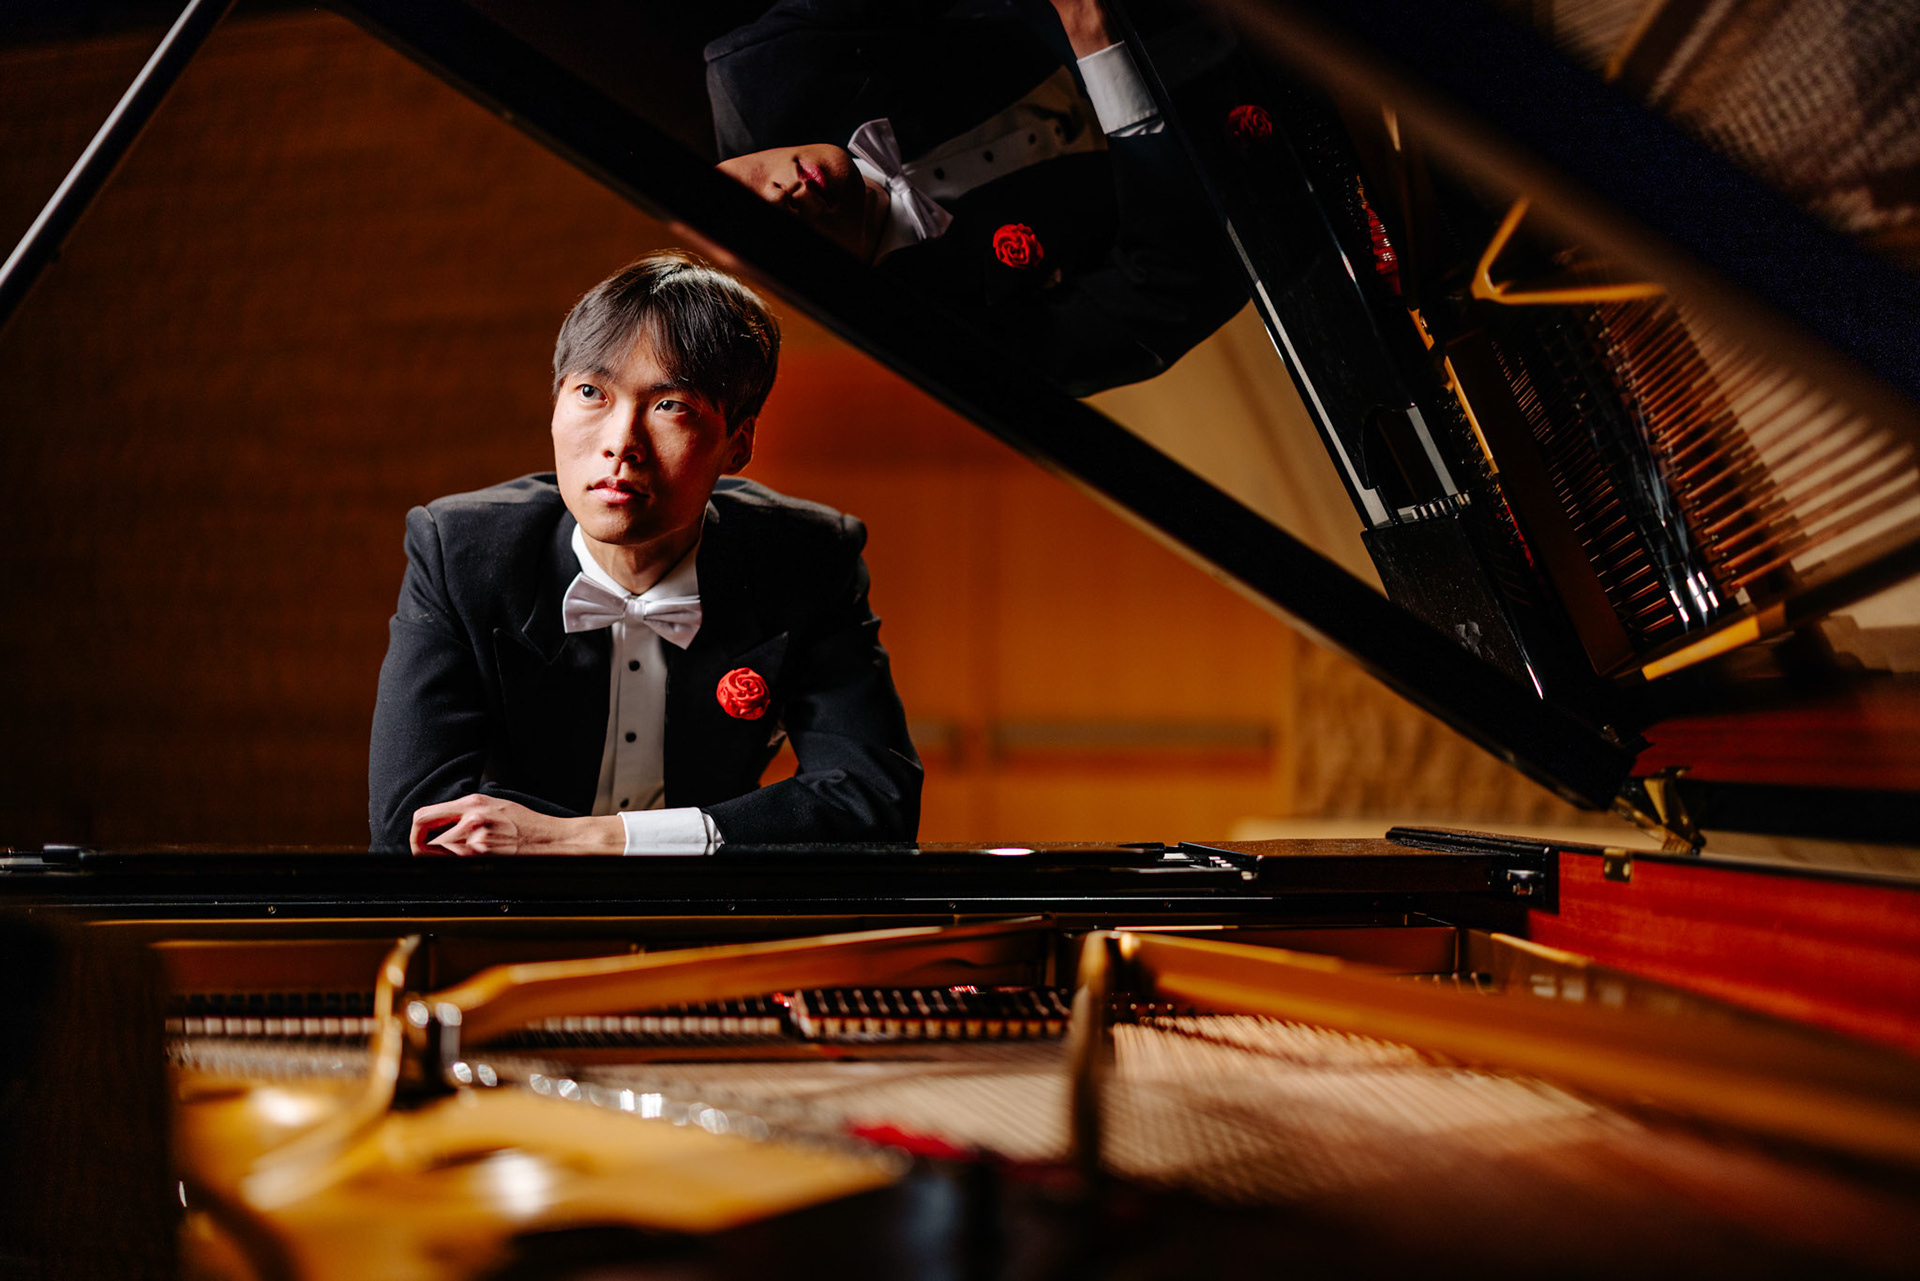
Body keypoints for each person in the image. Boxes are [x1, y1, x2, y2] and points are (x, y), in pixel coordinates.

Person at [368, 252, 921, 855]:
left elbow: (875, 801)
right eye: (591, 392)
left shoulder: (808, 557)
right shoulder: (459, 550)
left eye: (670, 406)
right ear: (555, 405)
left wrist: (591, 839)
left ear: (737, 446)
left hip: (715, 913)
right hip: (515, 913)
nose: (621, 444)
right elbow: (411, 827)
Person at [706, 0, 1246, 396]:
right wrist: (1100, 54)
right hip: (1242, 163)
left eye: (733, 203)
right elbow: (1178, 295)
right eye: (769, 247)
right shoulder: (943, 346)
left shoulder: (761, 70)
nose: (777, 199)